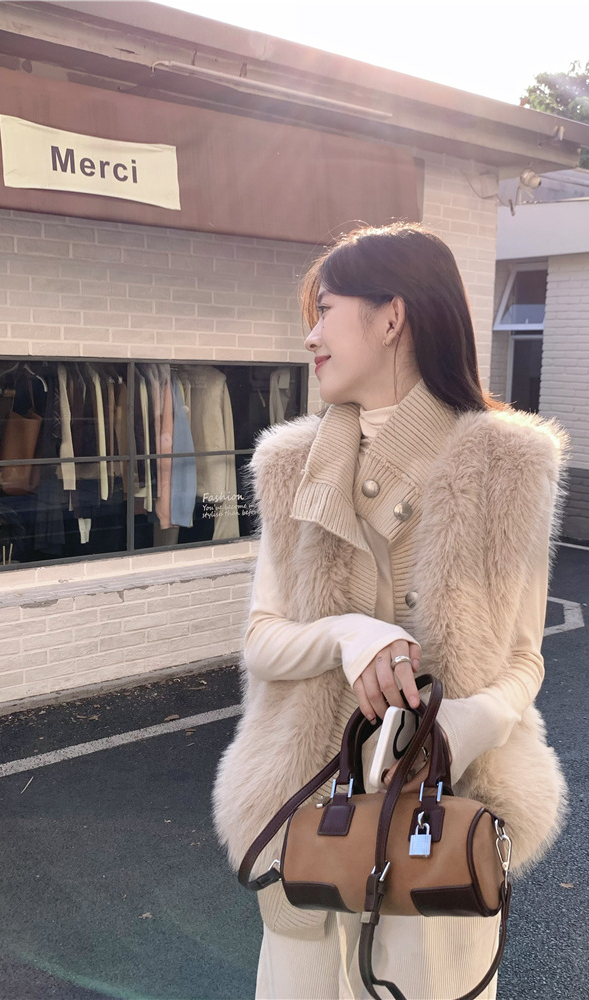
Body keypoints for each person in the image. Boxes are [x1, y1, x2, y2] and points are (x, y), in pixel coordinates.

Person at [213, 222, 568, 1000]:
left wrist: (472, 722)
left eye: (325, 310)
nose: (310, 336)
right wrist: (348, 633)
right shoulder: (290, 466)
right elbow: (262, 640)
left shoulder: (509, 464)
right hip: (309, 821)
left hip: (443, 828)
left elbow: (524, 656)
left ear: (391, 317)